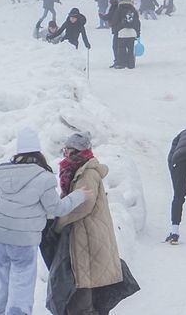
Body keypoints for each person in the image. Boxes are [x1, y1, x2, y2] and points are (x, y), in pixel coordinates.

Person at [0, 127, 90, 315]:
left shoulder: (4, 171)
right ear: (38, 151)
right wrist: (79, 196)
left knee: (1, 280)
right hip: (24, 240)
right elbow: (56, 208)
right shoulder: (44, 178)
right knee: (21, 283)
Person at [51, 132, 123, 314]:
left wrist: (59, 223)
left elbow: (84, 206)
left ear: (76, 151)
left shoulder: (87, 173)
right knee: (84, 281)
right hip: (85, 233)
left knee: (83, 283)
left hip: (89, 234)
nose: (64, 152)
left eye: (67, 149)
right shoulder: (77, 170)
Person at [111, 0, 141, 69]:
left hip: (122, 33)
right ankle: (131, 64)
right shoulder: (133, 10)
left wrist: (115, 30)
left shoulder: (119, 9)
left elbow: (115, 21)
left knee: (121, 48)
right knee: (131, 49)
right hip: (132, 33)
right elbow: (137, 22)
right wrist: (138, 33)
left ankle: (122, 63)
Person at [99, 0, 120, 68]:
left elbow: (107, 17)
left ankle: (117, 61)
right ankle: (120, 60)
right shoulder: (119, 8)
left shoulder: (113, 9)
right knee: (119, 46)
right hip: (121, 30)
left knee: (115, 46)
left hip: (117, 30)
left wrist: (100, 15)